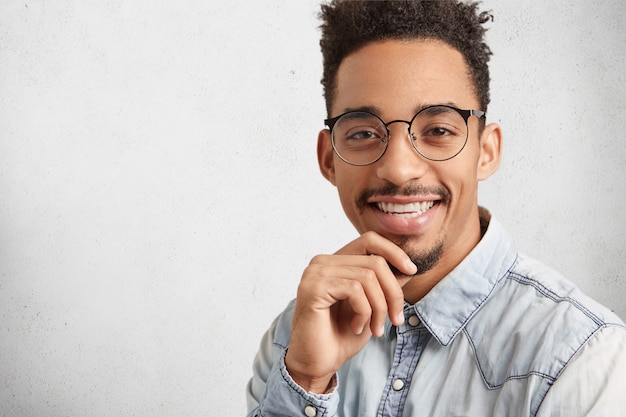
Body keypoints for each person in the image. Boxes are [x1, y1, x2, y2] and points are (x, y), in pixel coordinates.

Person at [246, 1, 626, 416]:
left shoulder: (584, 360)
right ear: (329, 159)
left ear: (486, 150)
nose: (398, 169)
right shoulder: (293, 341)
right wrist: (305, 382)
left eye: (439, 130)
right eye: (363, 133)